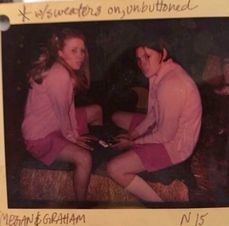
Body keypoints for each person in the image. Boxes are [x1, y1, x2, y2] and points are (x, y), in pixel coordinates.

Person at [107, 37, 202, 202]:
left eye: (147, 56)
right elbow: (152, 114)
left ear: (163, 53)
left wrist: (133, 143)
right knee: (117, 117)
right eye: (139, 59)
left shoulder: (171, 84)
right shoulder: (159, 72)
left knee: (114, 168)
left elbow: (165, 136)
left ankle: (158, 206)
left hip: (174, 146)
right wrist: (133, 134)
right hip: (163, 126)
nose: (142, 63)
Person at [21, 28, 103, 201]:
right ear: (60, 52)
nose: (80, 55)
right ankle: (81, 206)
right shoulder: (58, 74)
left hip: (56, 125)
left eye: (82, 50)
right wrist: (72, 137)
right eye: (74, 50)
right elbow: (62, 113)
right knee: (84, 158)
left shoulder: (66, 71)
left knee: (96, 111)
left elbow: (69, 106)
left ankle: (102, 148)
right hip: (40, 136)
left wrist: (74, 132)